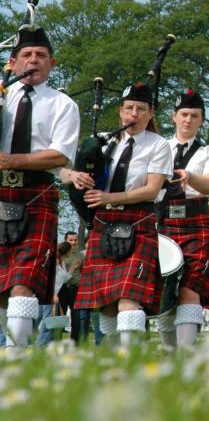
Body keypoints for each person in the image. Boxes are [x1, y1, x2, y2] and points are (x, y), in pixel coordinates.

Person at [70, 83, 173, 346]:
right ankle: (112, 359)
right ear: (120, 111)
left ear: (151, 113)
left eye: (140, 109)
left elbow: (151, 190)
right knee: (106, 302)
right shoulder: (102, 141)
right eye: (129, 108)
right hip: (103, 223)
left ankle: (130, 360)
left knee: (129, 297)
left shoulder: (159, 145)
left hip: (137, 222)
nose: (134, 114)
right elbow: (64, 171)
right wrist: (75, 174)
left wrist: (109, 198)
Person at [0, 24, 80, 347]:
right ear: (14, 61)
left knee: (23, 285)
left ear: (52, 64)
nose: (34, 60)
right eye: (27, 55)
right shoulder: (3, 97)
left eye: (41, 55)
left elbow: (60, 156)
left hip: (36, 197)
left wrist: (10, 161)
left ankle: (17, 361)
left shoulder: (63, 105)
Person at [156, 89, 209, 349]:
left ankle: (185, 354)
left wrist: (190, 177)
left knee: (190, 287)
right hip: (164, 220)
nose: (188, 120)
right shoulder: (160, 148)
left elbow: (208, 186)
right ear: (174, 117)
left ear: (202, 120)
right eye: (184, 114)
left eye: (195, 115)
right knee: (164, 288)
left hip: (196, 221)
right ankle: (169, 352)